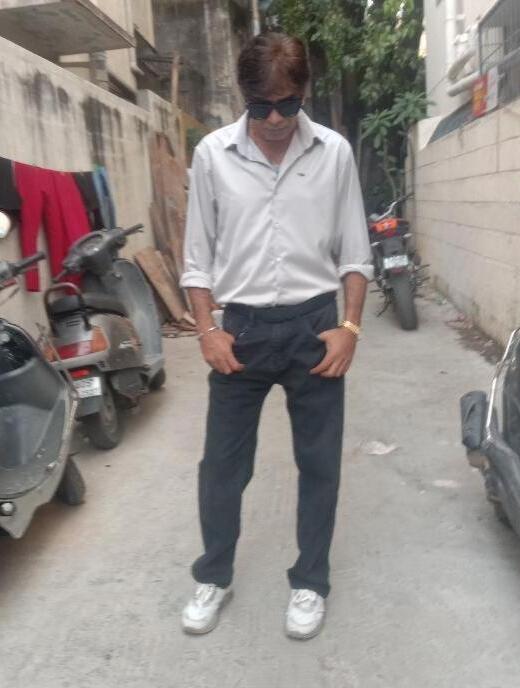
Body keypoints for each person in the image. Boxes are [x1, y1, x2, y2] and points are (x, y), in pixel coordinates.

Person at [180, 31, 373, 640]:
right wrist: (207, 331)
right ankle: (214, 574)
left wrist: (349, 327)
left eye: (287, 104)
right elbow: (196, 259)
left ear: (304, 93)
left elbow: (356, 254)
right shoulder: (213, 155)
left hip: (315, 327)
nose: (273, 119)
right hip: (240, 331)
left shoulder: (333, 153)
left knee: (319, 464)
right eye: (260, 105)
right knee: (222, 466)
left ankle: (310, 581)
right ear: (244, 95)